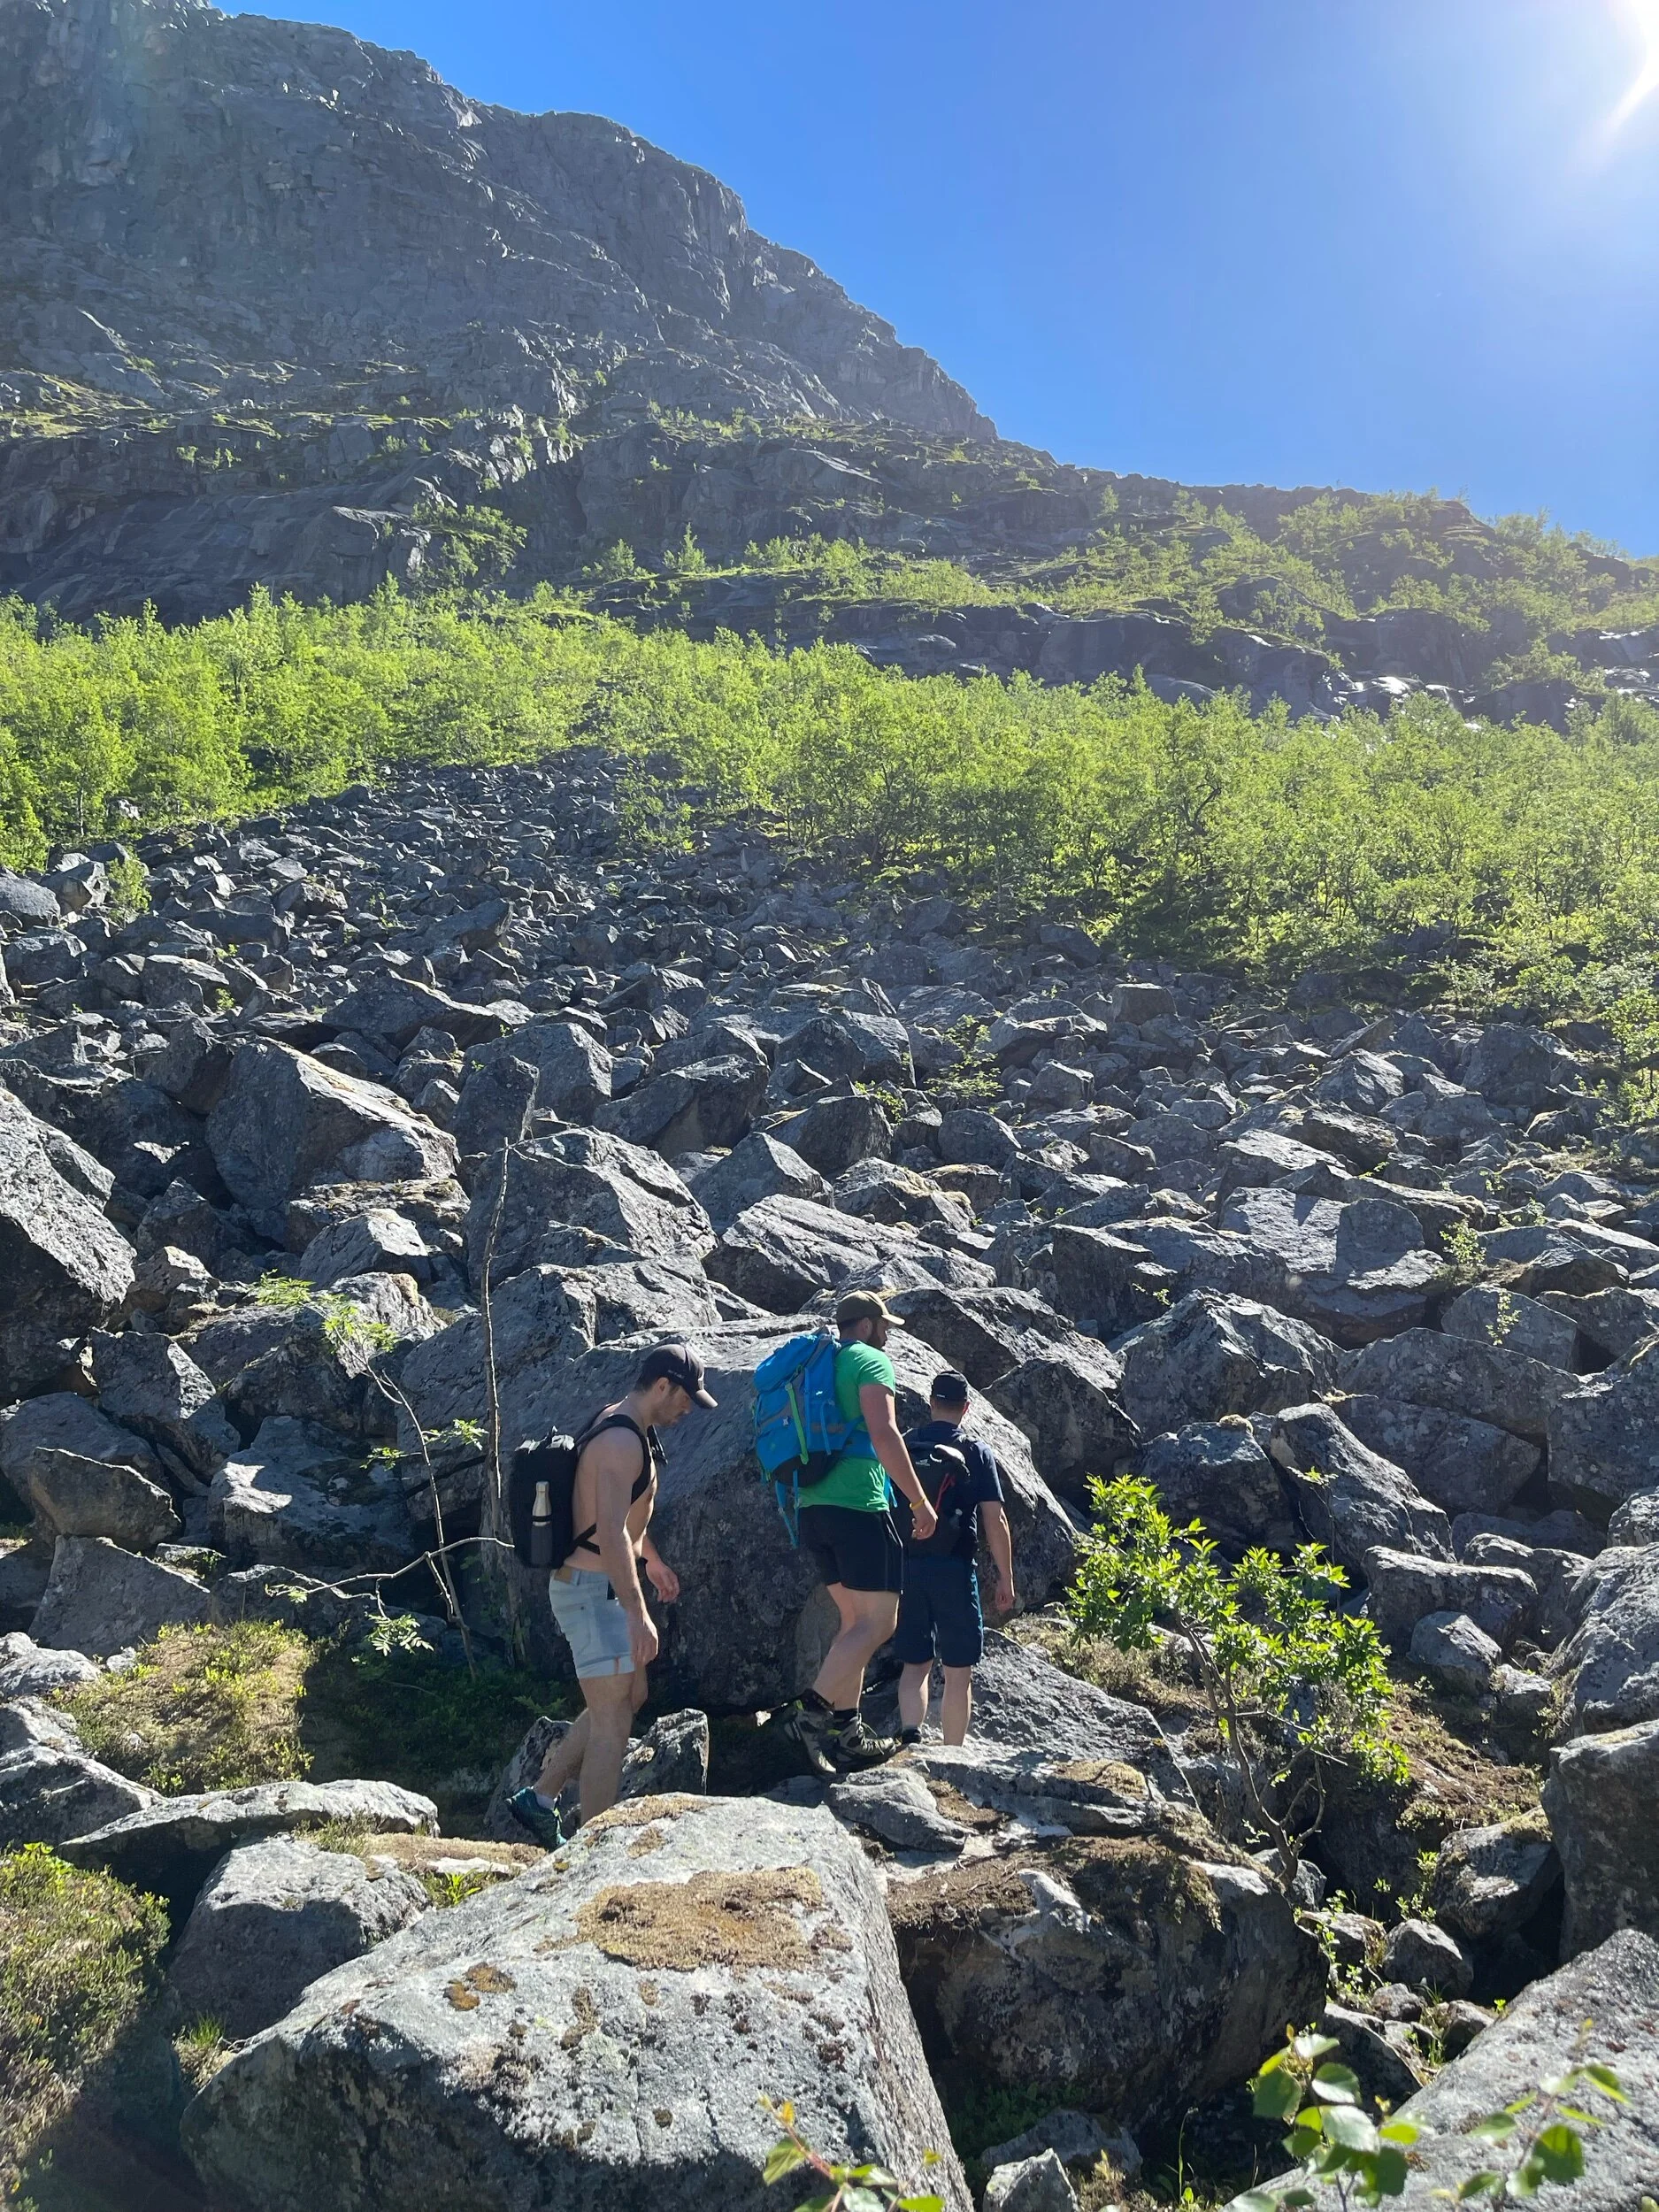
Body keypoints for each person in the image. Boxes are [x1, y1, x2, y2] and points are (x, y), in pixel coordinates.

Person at [507, 1342, 716, 1846]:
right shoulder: (622, 1443)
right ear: (662, 1386)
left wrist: (654, 1560)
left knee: (628, 1698)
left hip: (602, 1587)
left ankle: (538, 1799)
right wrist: (636, 1609)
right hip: (590, 1591)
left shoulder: (624, 1425)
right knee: (611, 1723)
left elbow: (628, 1520)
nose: (688, 1409)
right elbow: (609, 1530)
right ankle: (592, 1852)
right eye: (686, 1398)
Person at [780, 1289, 939, 1776]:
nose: (888, 1333)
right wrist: (918, 1500)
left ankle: (848, 1732)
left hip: (810, 1507)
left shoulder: (817, 1365)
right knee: (880, 1623)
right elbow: (885, 1433)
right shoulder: (870, 1361)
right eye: (884, 1325)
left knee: (853, 1623)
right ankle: (811, 1714)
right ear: (867, 1325)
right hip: (858, 1505)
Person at [893, 1370, 1016, 1747]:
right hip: (956, 1569)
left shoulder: (907, 1446)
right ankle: (952, 1754)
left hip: (907, 1566)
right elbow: (995, 1519)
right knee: (959, 1671)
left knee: (915, 1664)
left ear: (931, 1403)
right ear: (966, 1408)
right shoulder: (977, 1452)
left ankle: (910, 1739)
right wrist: (1005, 1576)